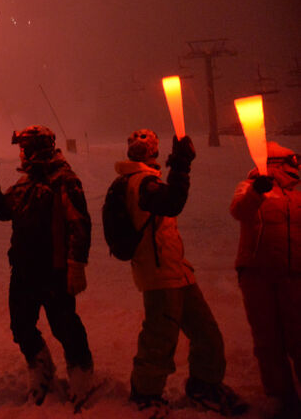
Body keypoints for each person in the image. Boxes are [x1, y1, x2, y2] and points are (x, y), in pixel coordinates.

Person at [115, 129, 245, 417]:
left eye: (146, 146)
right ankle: (145, 394)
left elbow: (167, 203)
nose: (143, 150)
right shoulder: (141, 183)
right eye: (139, 146)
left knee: (206, 333)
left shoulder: (149, 179)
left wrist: (176, 164)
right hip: (160, 275)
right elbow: (173, 202)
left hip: (178, 272)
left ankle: (205, 384)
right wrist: (182, 164)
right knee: (159, 338)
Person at [0, 125, 94, 406]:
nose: (21, 154)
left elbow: (80, 225)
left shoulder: (64, 180)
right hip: (23, 270)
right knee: (21, 325)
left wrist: (76, 264)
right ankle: (40, 370)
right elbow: (5, 211)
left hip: (53, 271)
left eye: (24, 149)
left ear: (36, 149)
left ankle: (82, 376)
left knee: (65, 326)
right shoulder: (27, 182)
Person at [230, 142, 300, 418]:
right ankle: (280, 396)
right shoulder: (249, 189)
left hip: (293, 275)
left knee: (298, 335)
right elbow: (240, 210)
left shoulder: (295, 197)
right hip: (258, 275)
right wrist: (259, 191)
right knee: (268, 339)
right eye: (292, 163)